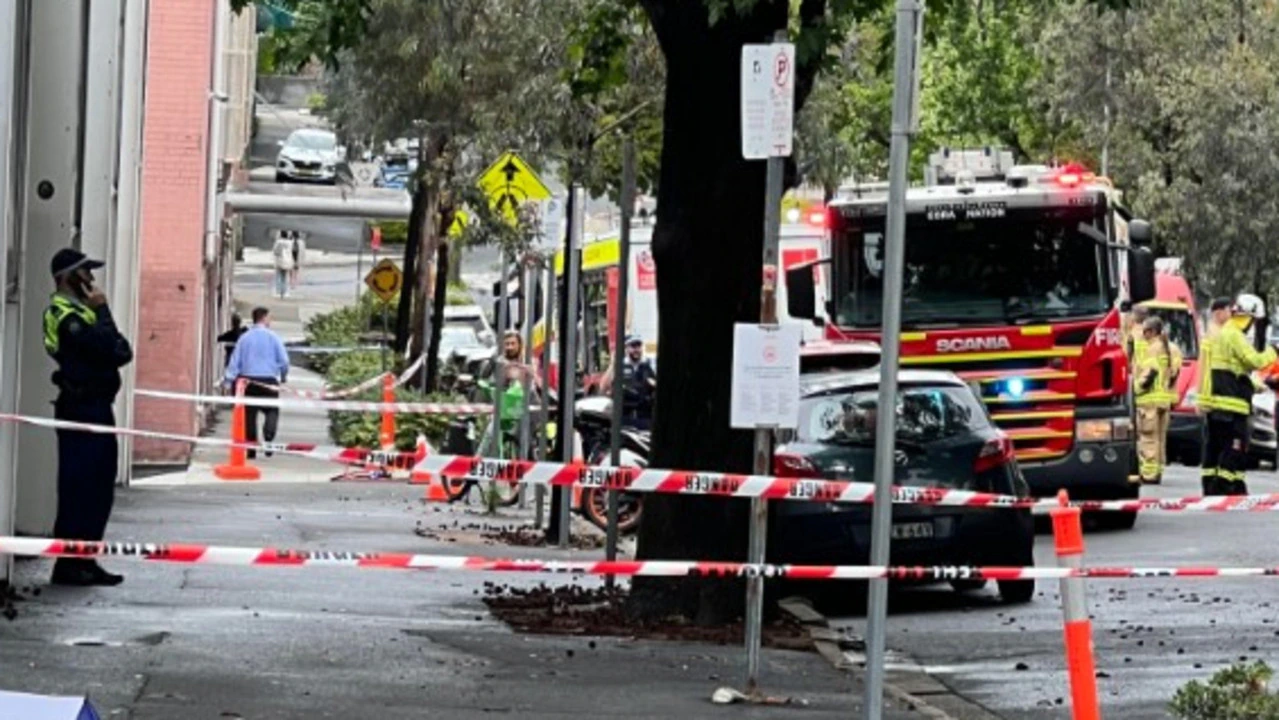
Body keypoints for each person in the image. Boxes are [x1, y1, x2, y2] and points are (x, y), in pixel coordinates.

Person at [43, 248, 134, 586]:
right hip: (81, 408)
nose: (92, 279)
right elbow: (115, 351)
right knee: (79, 487)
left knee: (99, 487)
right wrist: (104, 311)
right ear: (69, 277)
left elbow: (120, 350)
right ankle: (68, 564)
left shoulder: (85, 313)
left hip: (97, 407)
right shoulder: (66, 315)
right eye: (85, 273)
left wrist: (101, 315)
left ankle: (86, 558)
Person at [1198, 294, 1276, 495]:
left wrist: (1255, 384)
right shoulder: (1234, 334)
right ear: (1249, 317)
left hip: (1220, 403)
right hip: (1232, 405)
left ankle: (1214, 486)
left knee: (1215, 446)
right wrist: (1273, 352)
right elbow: (1254, 361)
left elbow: (1235, 368)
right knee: (1234, 446)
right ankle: (1226, 486)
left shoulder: (1224, 334)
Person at [224, 307, 290, 459]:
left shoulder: (244, 338)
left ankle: (251, 448)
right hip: (268, 380)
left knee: (249, 415)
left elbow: (235, 362)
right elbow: (284, 361)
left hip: (248, 381)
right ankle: (268, 438)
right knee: (272, 410)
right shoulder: (274, 337)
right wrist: (283, 376)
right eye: (269, 318)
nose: (270, 321)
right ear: (264, 318)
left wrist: (229, 381)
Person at [1134, 316, 1175, 484]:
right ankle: (1157, 472)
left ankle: (1149, 474)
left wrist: (1134, 389)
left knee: (1148, 439)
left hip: (1149, 401)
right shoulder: (1167, 347)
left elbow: (1150, 373)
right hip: (1163, 401)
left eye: (1145, 331)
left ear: (1151, 332)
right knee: (1159, 439)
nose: (1143, 334)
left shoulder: (1153, 348)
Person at [620, 335, 656, 430]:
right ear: (626, 348)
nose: (636, 350)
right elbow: (603, 387)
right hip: (626, 417)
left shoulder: (647, 366)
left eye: (638, 346)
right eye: (633, 346)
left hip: (644, 418)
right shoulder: (621, 366)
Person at [272, 231, 296, 299]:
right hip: (288, 261)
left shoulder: (278, 242)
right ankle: (284, 292)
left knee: (278, 276)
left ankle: (279, 291)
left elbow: (275, 251)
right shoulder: (290, 243)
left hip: (280, 261)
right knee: (285, 277)